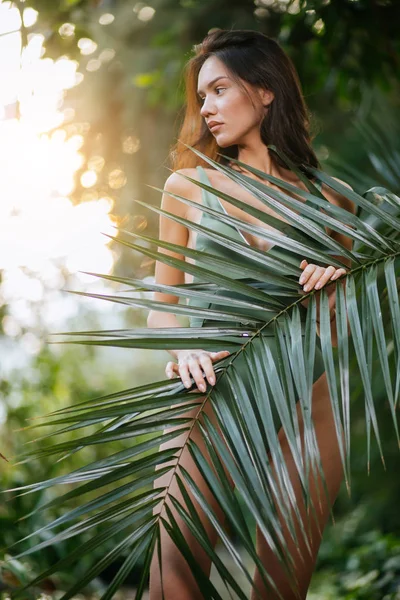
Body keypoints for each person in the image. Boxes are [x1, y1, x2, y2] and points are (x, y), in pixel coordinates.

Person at [147, 29, 355, 600]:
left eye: (218, 90)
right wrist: (182, 348)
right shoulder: (187, 186)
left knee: (282, 584)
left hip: (307, 405)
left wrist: (336, 286)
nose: (207, 109)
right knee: (174, 569)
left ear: (264, 90)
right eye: (202, 98)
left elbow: (341, 326)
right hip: (210, 391)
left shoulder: (330, 198)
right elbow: (161, 308)